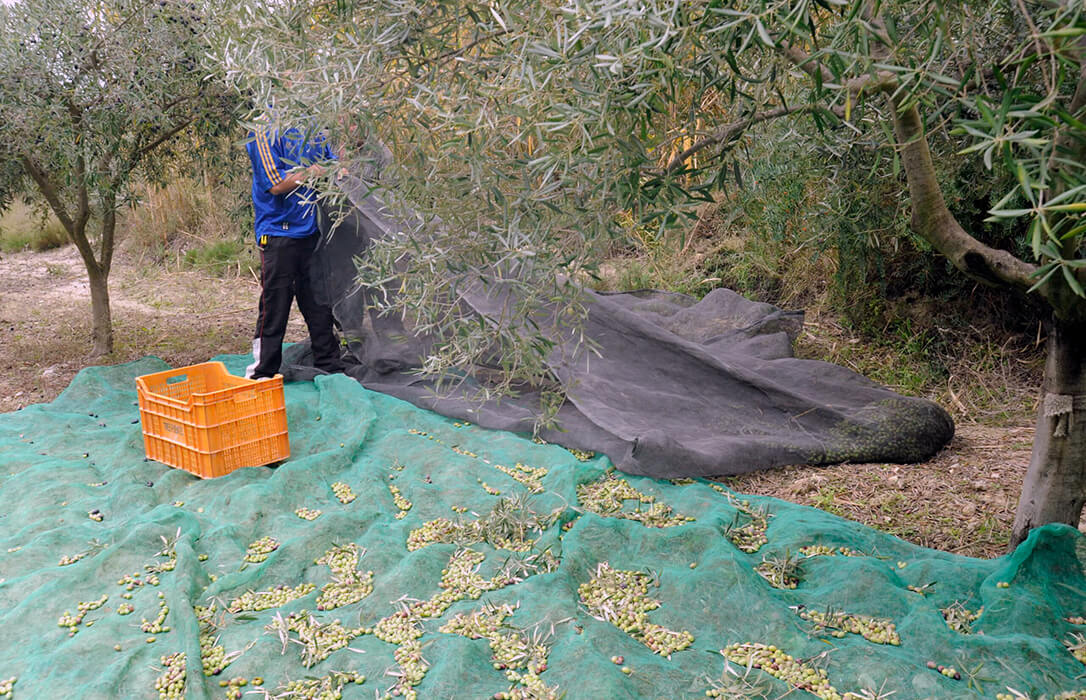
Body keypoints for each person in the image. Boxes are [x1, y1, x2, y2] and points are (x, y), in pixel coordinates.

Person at [244, 119, 344, 379]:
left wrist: (335, 165)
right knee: (275, 303)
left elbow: (334, 165)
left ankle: (329, 364)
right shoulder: (263, 132)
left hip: (311, 230)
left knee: (318, 301)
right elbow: (275, 184)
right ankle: (263, 371)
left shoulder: (310, 128)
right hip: (278, 233)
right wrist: (316, 171)